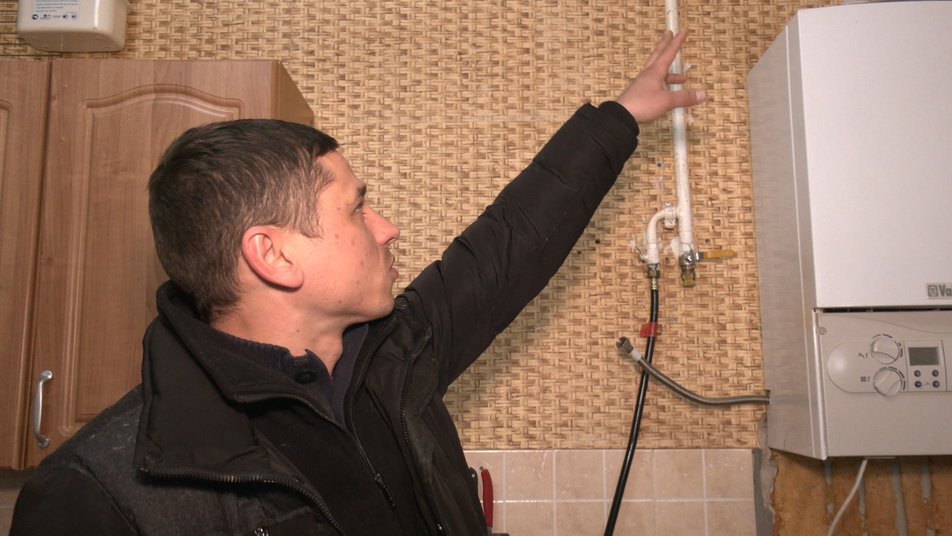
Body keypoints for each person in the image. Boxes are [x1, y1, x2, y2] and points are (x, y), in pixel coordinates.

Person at [11, 30, 704, 535]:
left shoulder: (395, 354)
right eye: (356, 208)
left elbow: (510, 243)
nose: (388, 228)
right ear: (273, 256)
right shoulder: (101, 493)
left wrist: (620, 117)